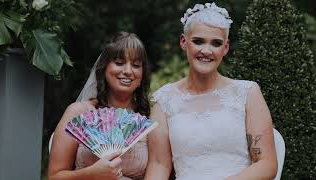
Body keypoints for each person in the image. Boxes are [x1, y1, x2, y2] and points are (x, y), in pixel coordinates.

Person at [145, 2, 277, 180]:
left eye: (216, 43)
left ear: (226, 48)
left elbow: (266, 164)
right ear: (184, 42)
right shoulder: (164, 100)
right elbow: (159, 165)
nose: (206, 51)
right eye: (198, 41)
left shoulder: (247, 93)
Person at [48, 31, 151, 180]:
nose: (128, 71)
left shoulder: (149, 119)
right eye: (119, 63)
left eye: (136, 65)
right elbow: (54, 177)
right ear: (104, 68)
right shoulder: (78, 113)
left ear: (142, 76)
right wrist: (92, 173)